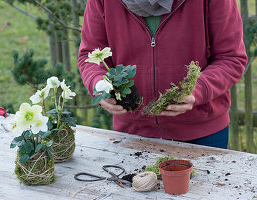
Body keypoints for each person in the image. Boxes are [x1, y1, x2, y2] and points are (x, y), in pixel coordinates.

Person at [78, 0, 247, 149]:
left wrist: (198, 90)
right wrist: (100, 85)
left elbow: (230, 57)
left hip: (203, 135)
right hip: (131, 134)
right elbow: (90, 55)